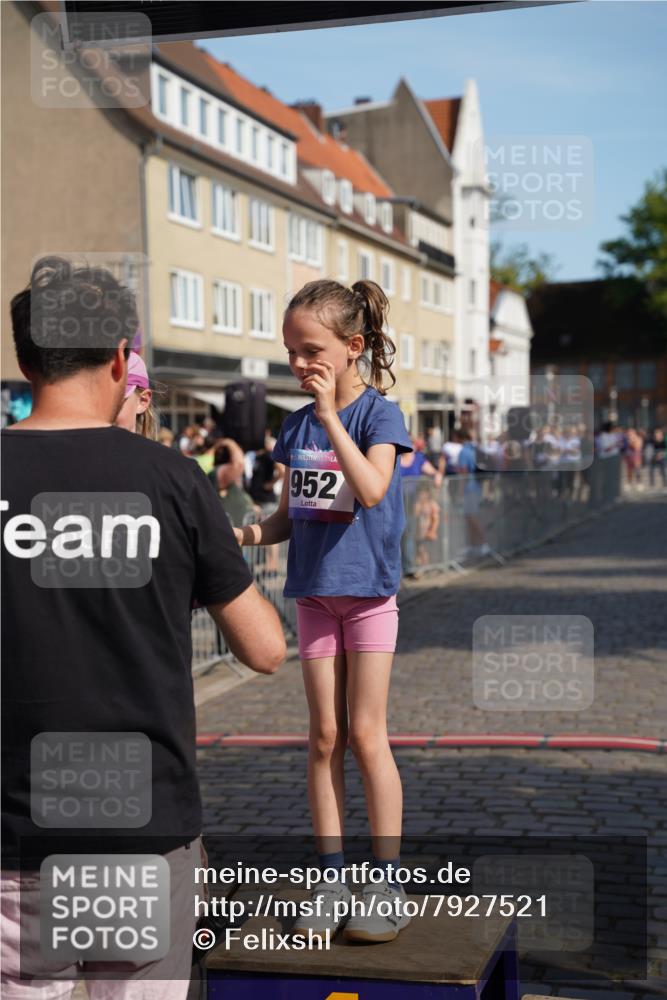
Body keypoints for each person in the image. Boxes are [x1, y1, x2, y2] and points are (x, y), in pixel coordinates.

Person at [1, 257, 286, 1000]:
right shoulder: (171, 480)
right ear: (121, 359)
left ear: (25, 358)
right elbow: (263, 649)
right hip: (141, 831)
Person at [234, 279, 413, 943]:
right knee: (321, 738)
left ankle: (386, 878)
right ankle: (331, 873)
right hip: (313, 595)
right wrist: (242, 536)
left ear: (351, 348)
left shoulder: (378, 417)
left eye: (310, 349)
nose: (298, 362)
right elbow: (287, 518)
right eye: (289, 351)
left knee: (366, 734)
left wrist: (332, 414)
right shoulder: (294, 426)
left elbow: (369, 490)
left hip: (367, 596)